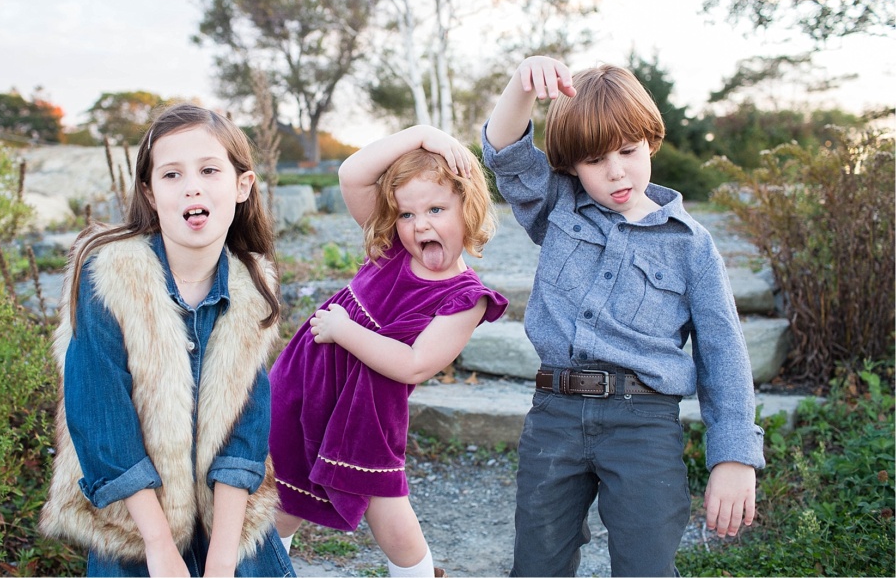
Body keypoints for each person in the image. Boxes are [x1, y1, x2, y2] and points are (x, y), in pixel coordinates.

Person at [481, 56, 765, 577]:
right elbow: (506, 154)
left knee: (645, 564)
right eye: (594, 160)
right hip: (555, 414)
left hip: (644, 425)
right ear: (571, 166)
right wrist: (522, 83)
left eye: (628, 151)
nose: (615, 171)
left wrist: (734, 457)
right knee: (537, 563)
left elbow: (724, 353)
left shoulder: (691, 246)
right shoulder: (557, 205)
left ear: (650, 142)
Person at [39, 103, 294, 577]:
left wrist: (223, 558)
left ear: (242, 186)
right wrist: (159, 546)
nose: (192, 185)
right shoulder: (109, 278)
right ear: (150, 193)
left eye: (209, 170)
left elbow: (246, 427)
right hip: (137, 526)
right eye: (172, 174)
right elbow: (101, 417)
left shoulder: (250, 287)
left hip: (224, 521)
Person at [269, 126, 509, 577]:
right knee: (283, 493)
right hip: (303, 387)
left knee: (386, 506)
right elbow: (352, 175)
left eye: (436, 209)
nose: (420, 225)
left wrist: (344, 331)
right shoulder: (390, 248)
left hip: (367, 410)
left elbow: (414, 365)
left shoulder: (465, 298)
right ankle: (263, 568)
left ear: (469, 206)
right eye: (406, 214)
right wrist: (424, 134)